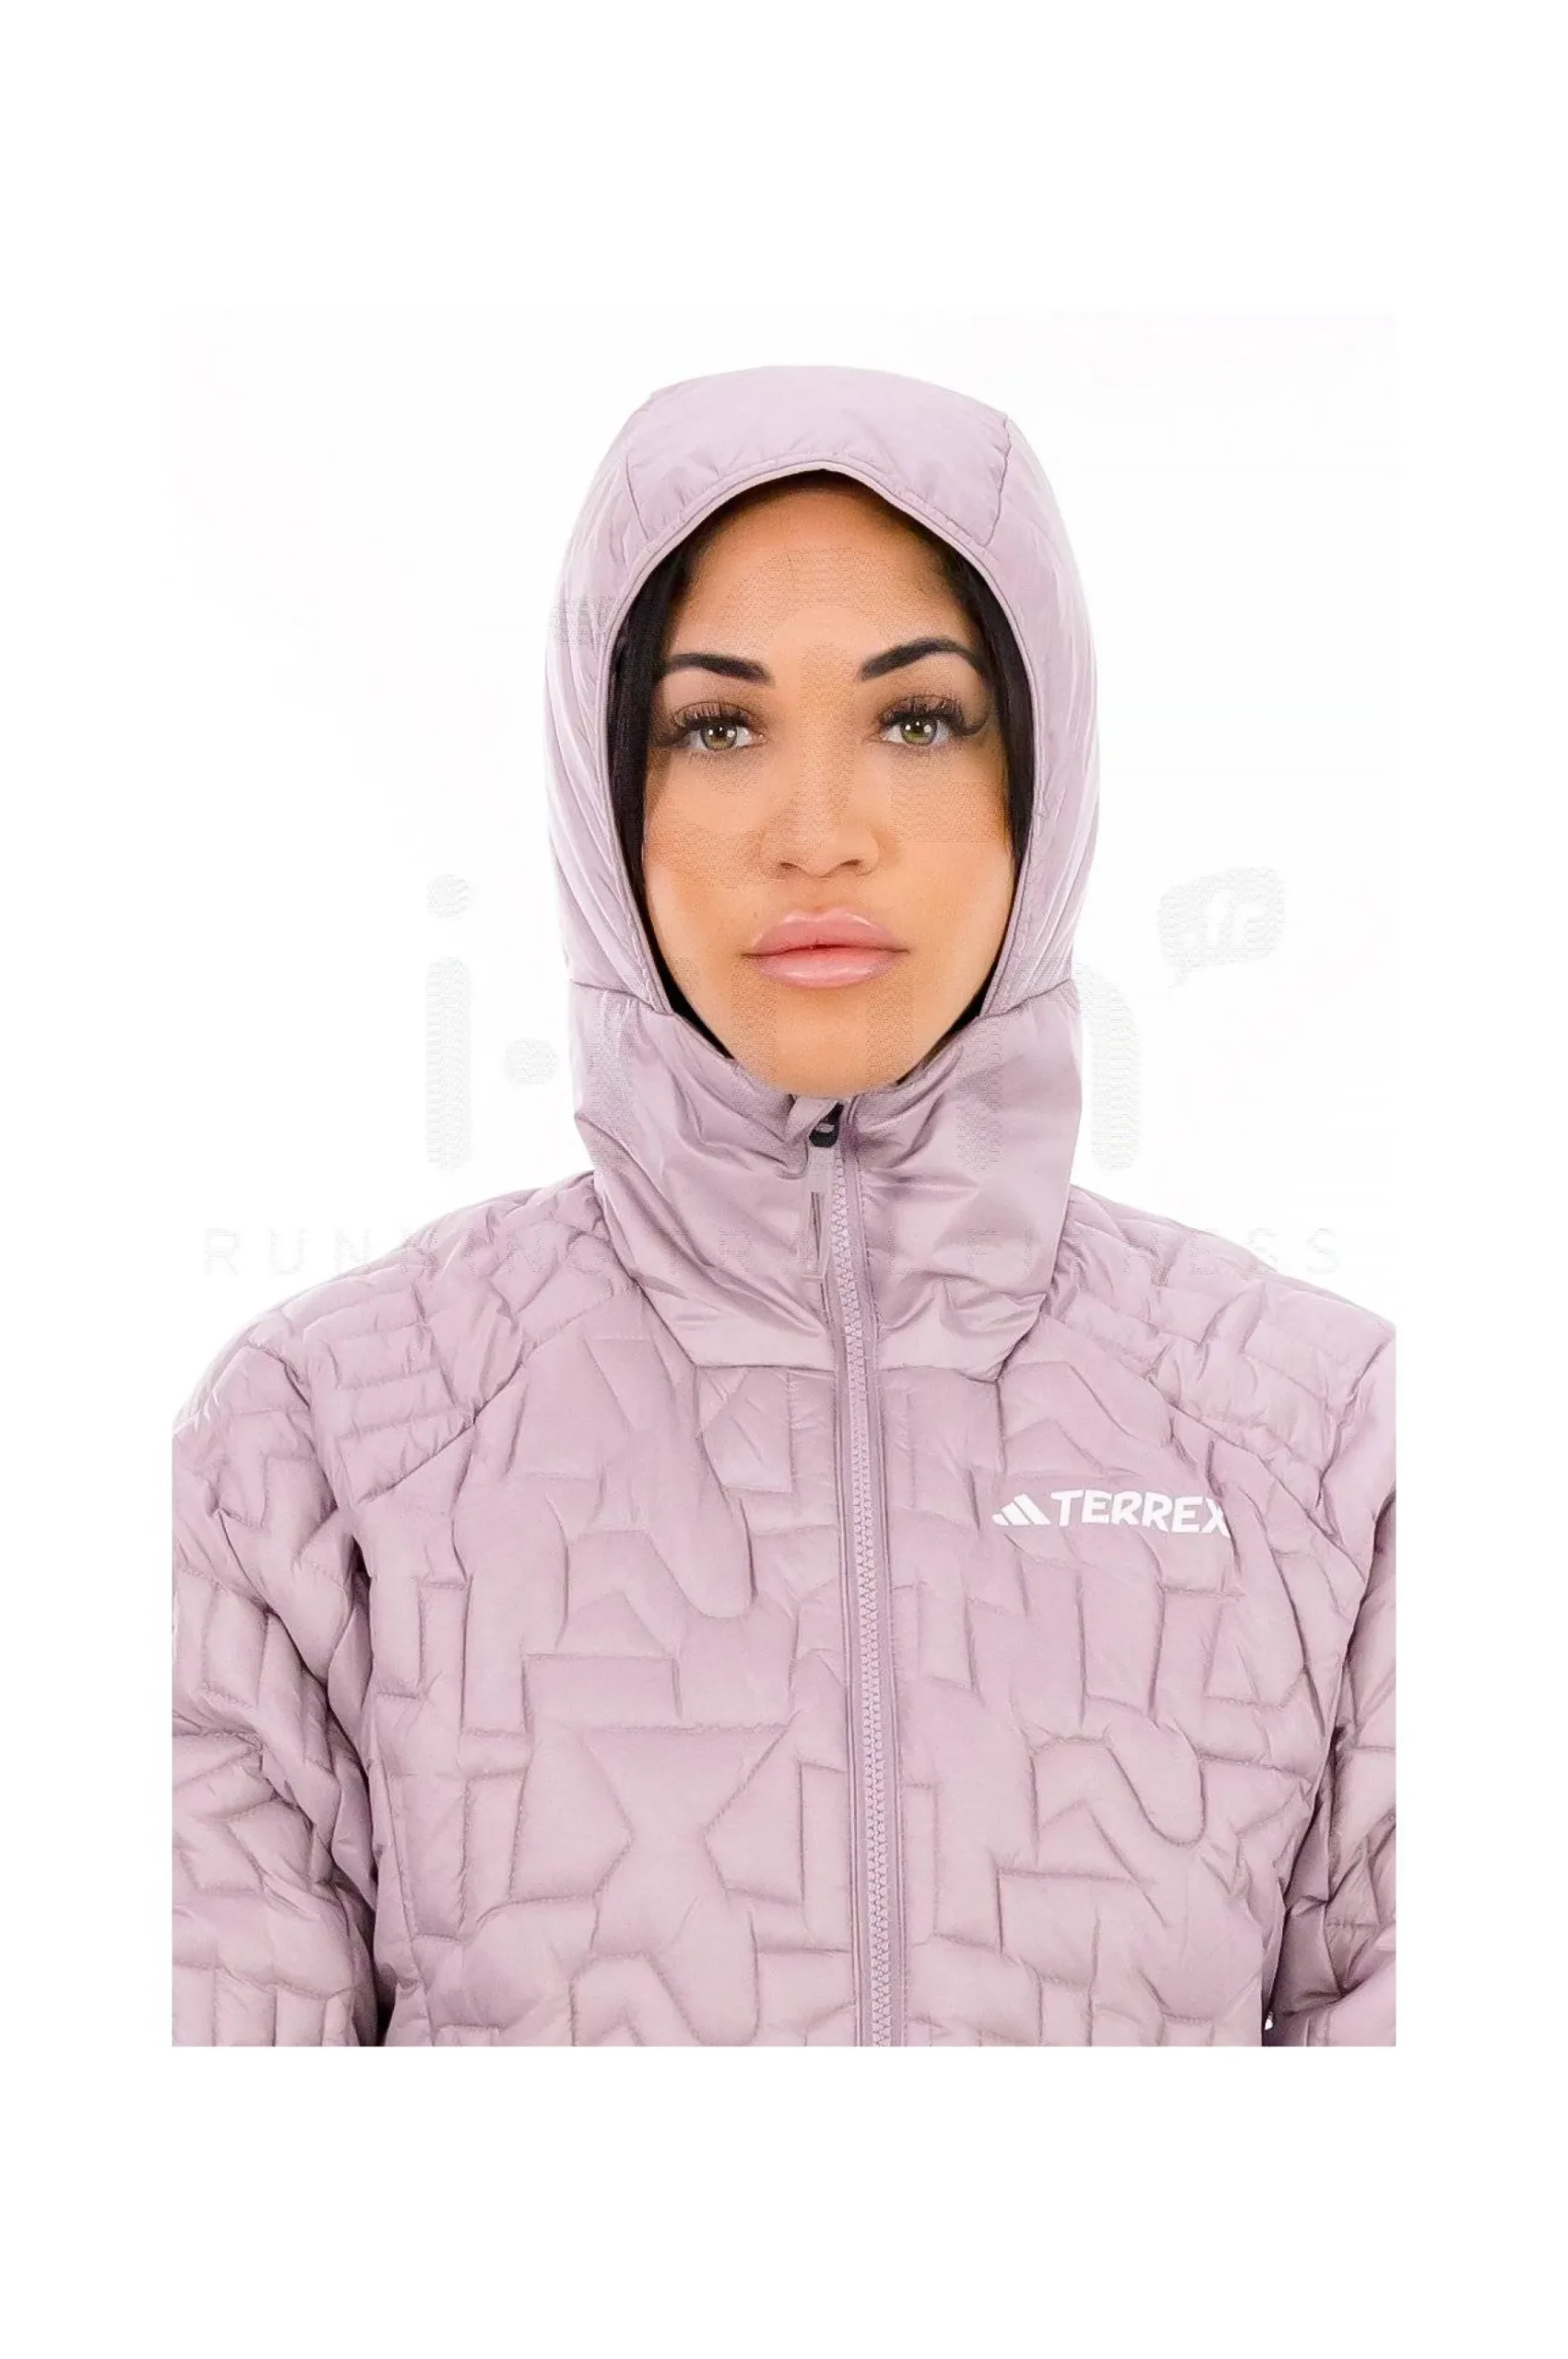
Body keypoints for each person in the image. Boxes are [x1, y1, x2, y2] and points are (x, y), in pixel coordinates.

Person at [172, 362, 1395, 2046]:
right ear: (608, 794)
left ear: (1039, 780)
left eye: (917, 719)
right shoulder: (320, 1446)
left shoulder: (1324, 1444)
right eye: (718, 726)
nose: (819, 834)